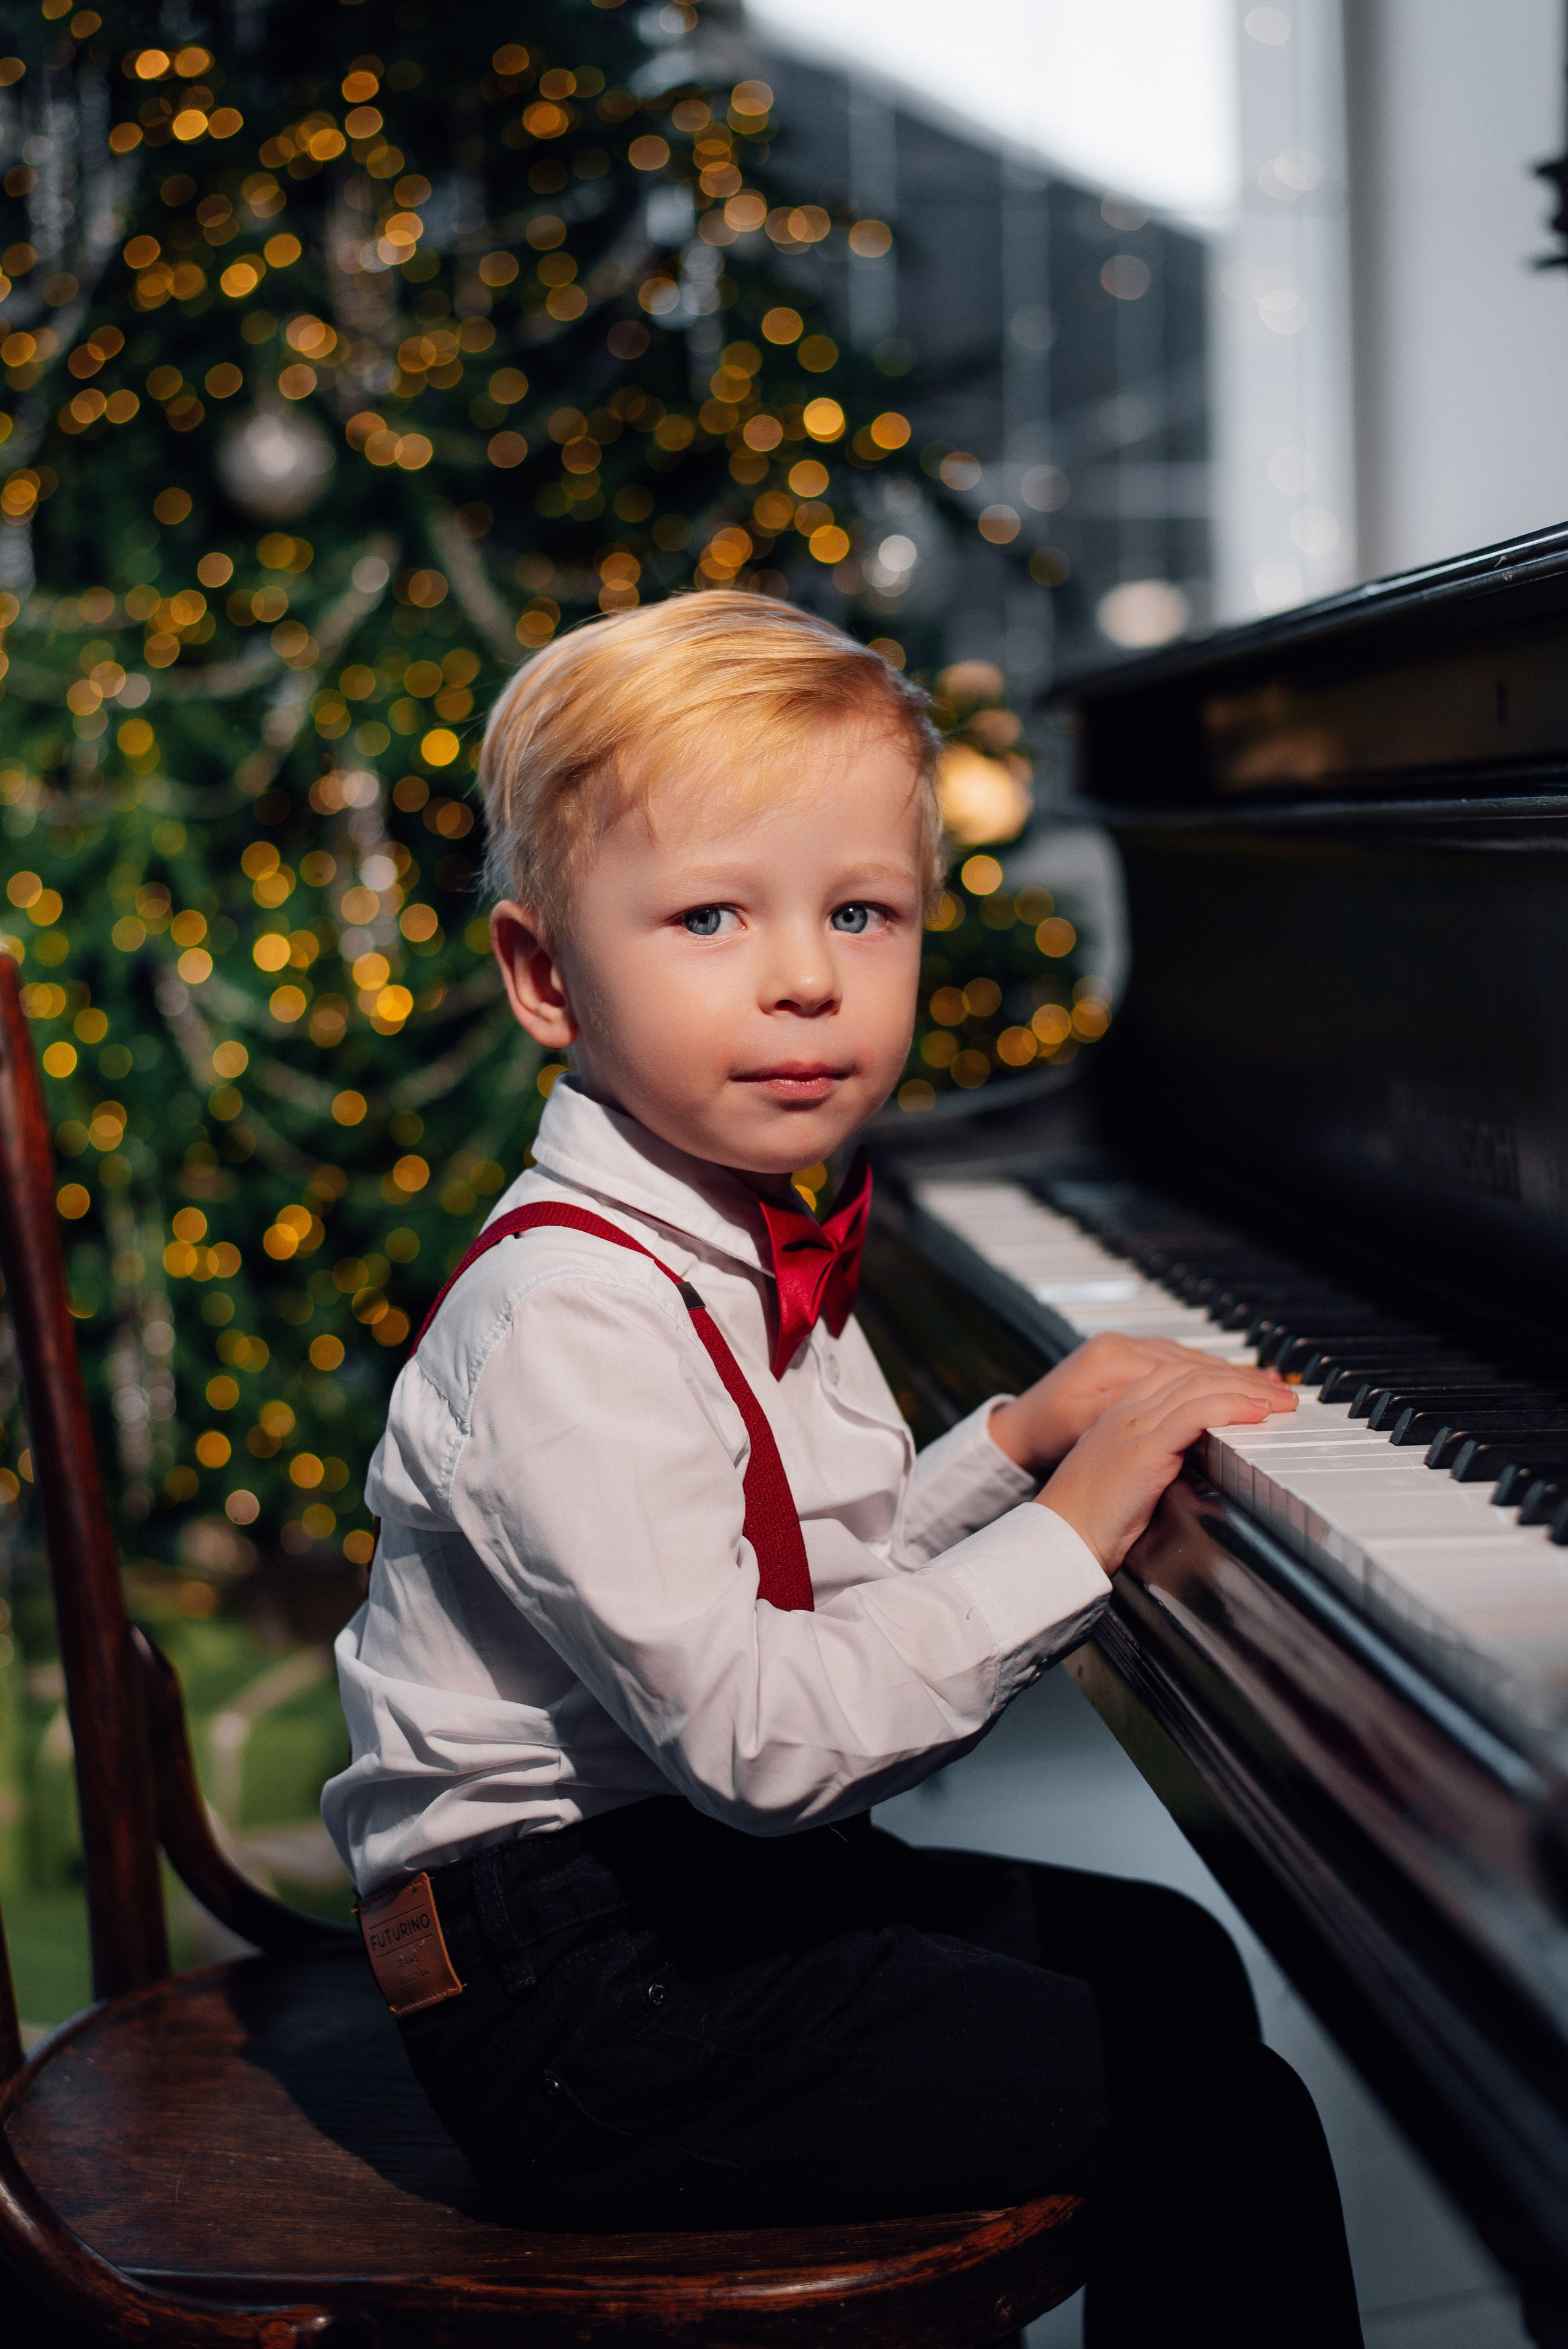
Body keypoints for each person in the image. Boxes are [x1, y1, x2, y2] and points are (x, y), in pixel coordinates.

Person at [322, 593, 1363, 2347]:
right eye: (711, 914)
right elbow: (762, 1737)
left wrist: (1016, 1442)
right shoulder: (567, 1315)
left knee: (1171, 1964)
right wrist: (1067, 1531)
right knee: (1224, 2118)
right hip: (576, 1998)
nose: (805, 974)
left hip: (679, 1898)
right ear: (546, 975)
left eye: (861, 911)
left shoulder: (730, 1223)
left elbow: (804, 1562)